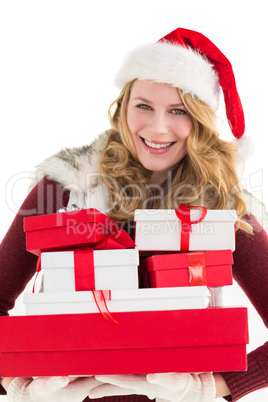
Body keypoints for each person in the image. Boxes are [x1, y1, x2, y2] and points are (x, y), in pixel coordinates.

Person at [0, 27, 267, 401]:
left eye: (179, 111)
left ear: (202, 121)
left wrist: (206, 387)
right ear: (123, 106)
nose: (158, 128)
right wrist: (19, 384)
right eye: (144, 105)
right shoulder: (66, 187)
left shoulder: (221, 210)